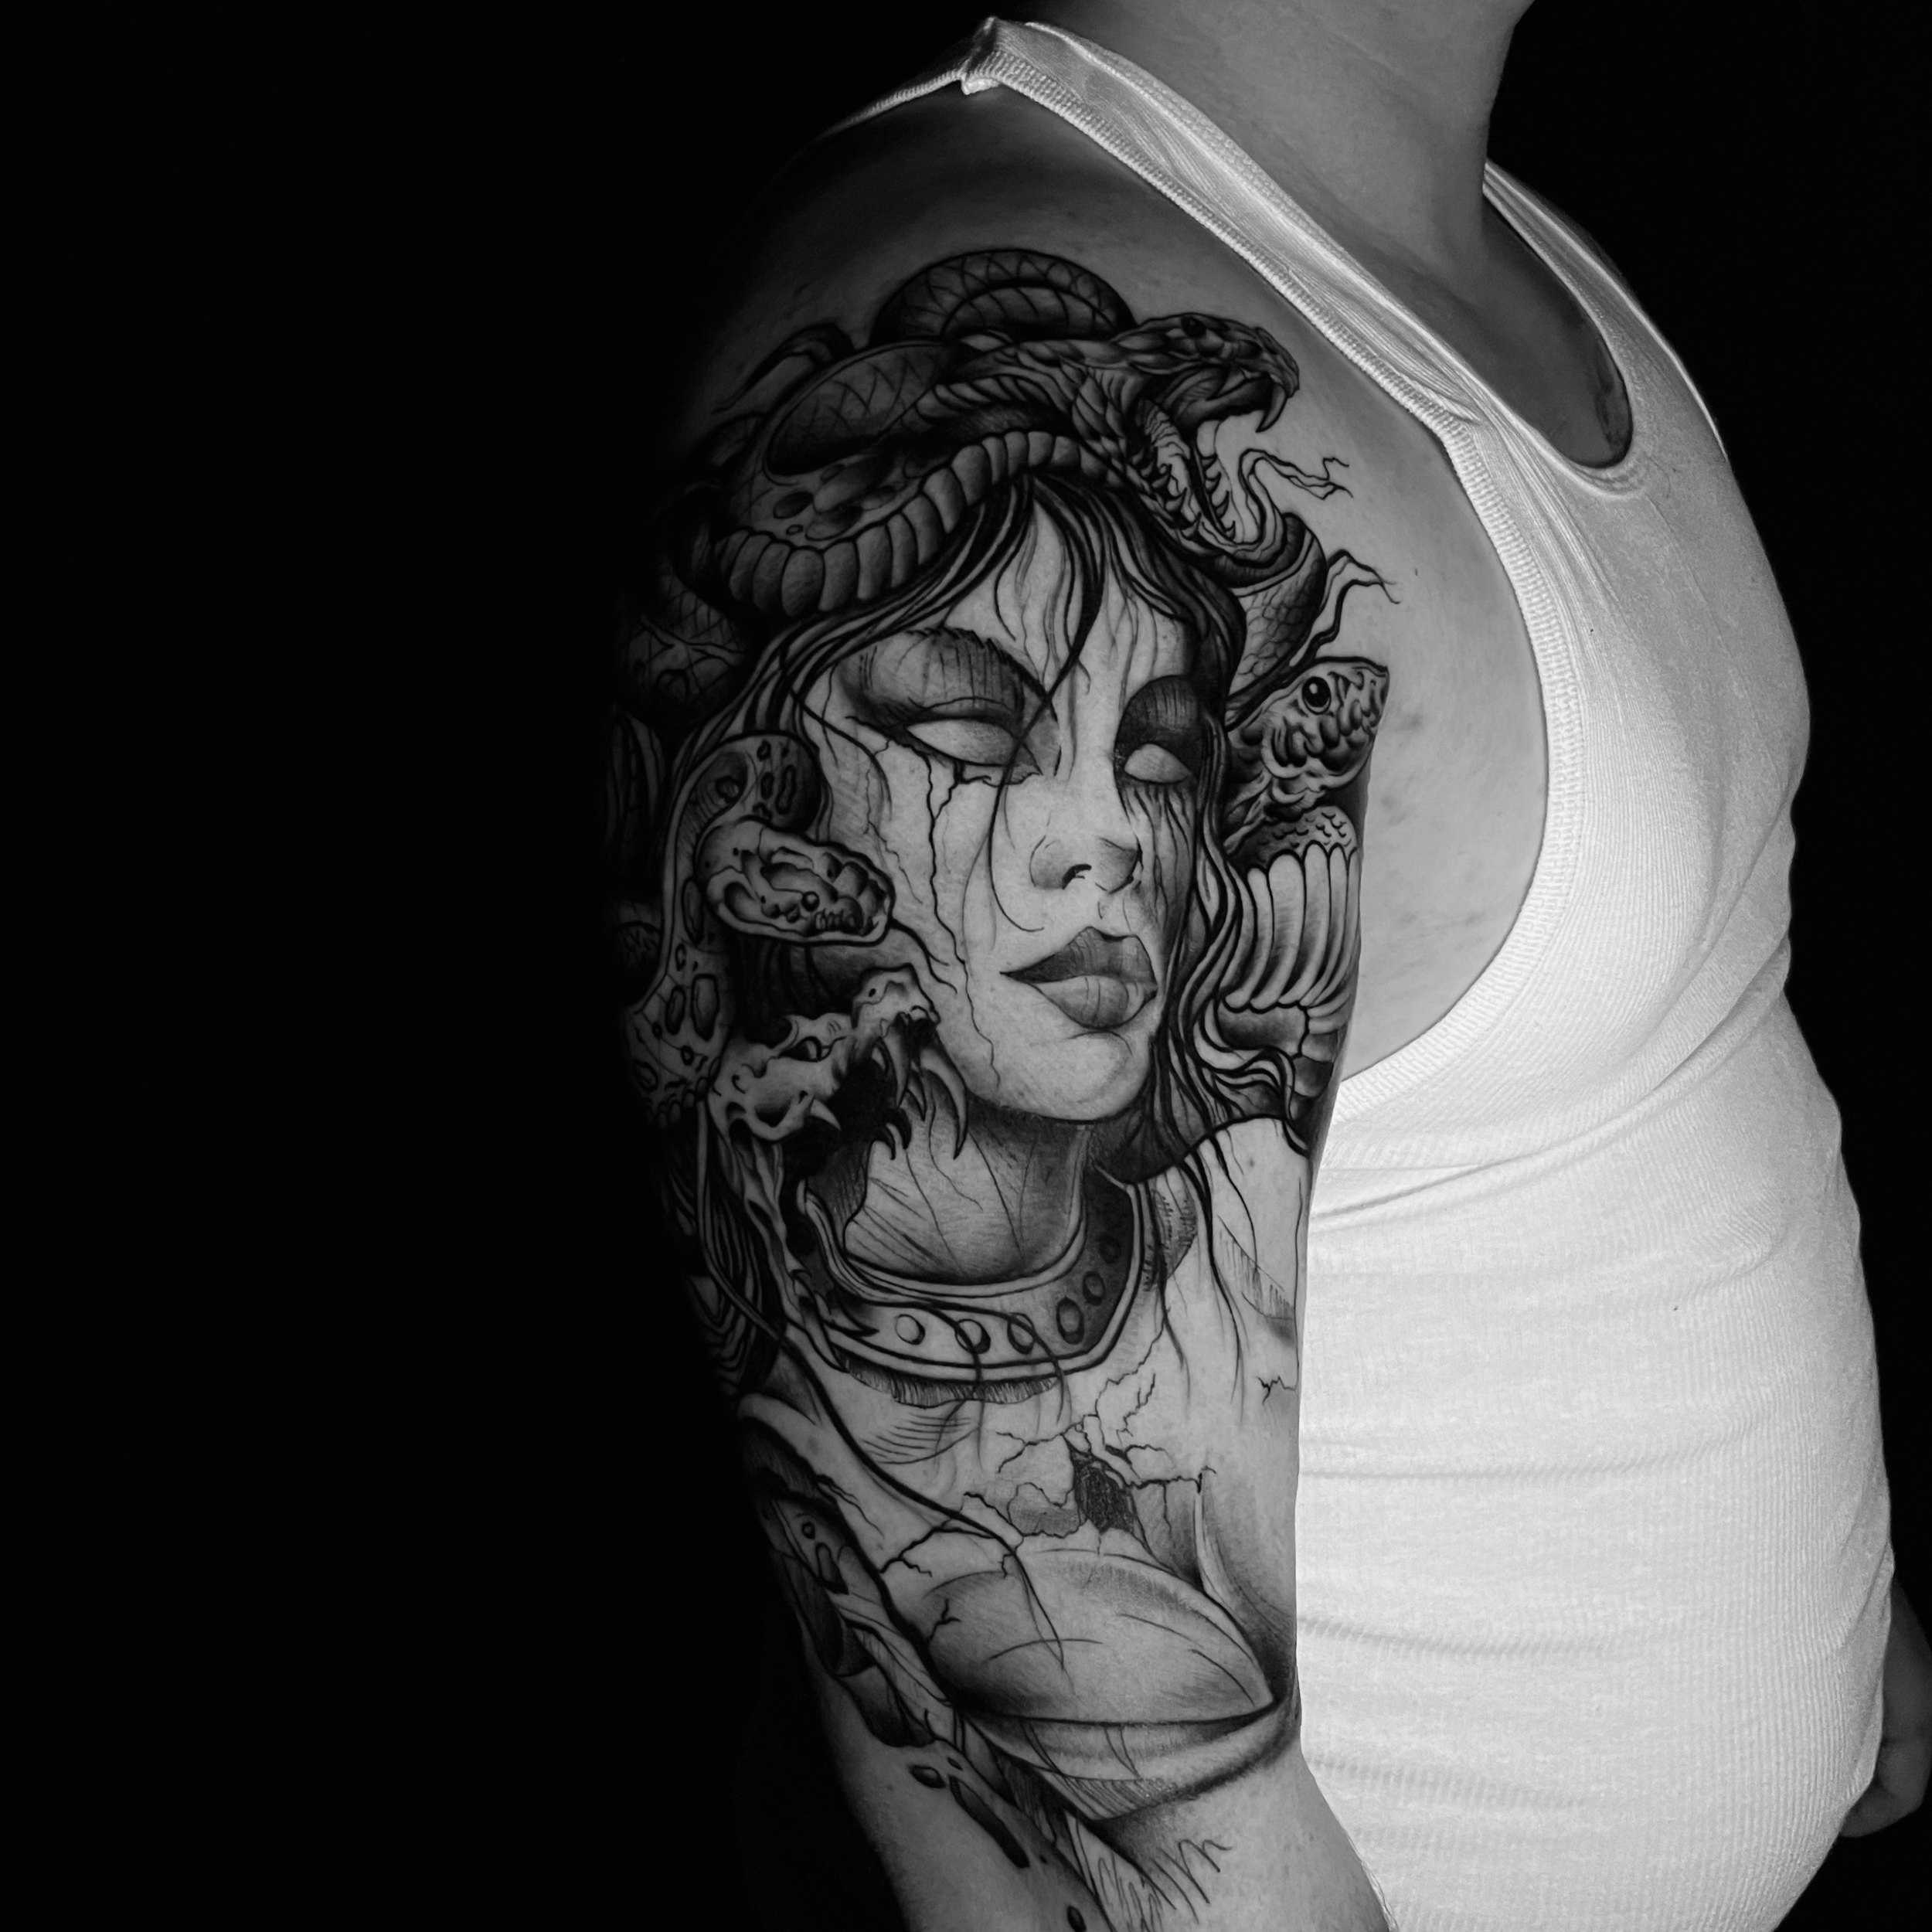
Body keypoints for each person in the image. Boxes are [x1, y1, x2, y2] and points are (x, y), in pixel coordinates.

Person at [610, 5, 1927, 1927]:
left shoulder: (1500, 267)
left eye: (1155, 751)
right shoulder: (985, 324)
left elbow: (1619, 1052)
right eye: (972, 734)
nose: (1101, 832)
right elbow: (1094, 1850)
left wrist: (1809, 1598)